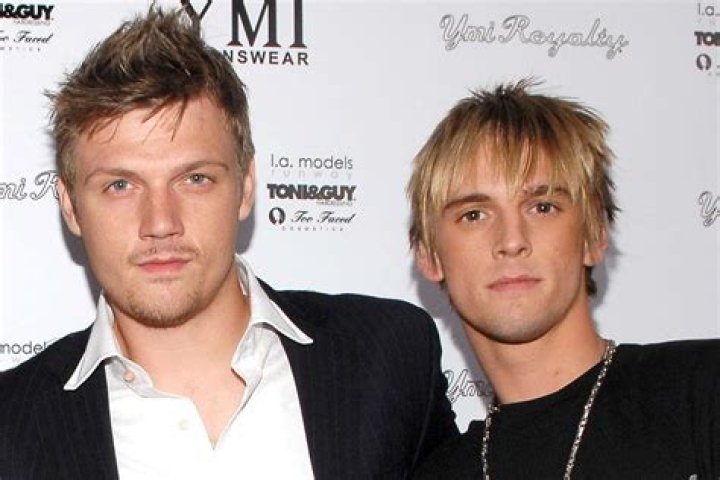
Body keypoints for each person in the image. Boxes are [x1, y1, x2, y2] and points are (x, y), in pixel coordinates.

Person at [0, 7, 457, 479]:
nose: (161, 223)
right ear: (70, 205)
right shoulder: (12, 428)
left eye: (195, 179)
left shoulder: (388, 357)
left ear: (246, 185)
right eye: (120, 185)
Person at [408, 79, 720, 478]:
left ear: (594, 236)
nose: (512, 241)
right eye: (474, 215)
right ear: (429, 256)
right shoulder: (442, 472)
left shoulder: (702, 393)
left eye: (542, 207)